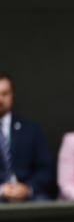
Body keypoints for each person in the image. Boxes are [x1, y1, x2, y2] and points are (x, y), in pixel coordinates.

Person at [0, 73, 54, 202]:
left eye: (5, 94)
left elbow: (45, 168)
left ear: (12, 95)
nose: (0, 99)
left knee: (44, 205)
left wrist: (27, 188)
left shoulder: (30, 129)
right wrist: (1, 190)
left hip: (29, 195)